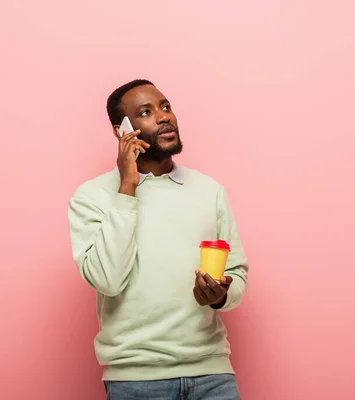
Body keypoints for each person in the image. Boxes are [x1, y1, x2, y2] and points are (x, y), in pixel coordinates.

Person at [67, 79, 249, 399]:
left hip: (212, 373)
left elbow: (237, 273)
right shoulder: (92, 197)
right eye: (146, 112)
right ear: (121, 130)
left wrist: (219, 295)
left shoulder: (210, 191)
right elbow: (107, 280)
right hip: (136, 379)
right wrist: (127, 188)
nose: (164, 116)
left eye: (165, 106)